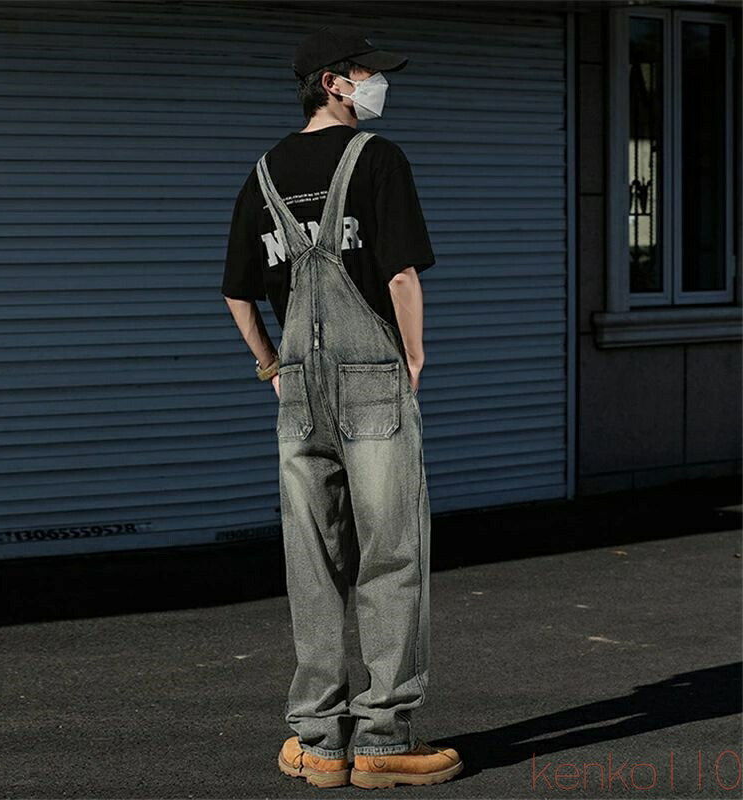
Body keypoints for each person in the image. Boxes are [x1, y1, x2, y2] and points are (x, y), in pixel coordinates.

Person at [221, 23, 464, 790]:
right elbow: (400, 276)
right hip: (371, 379)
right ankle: (385, 739)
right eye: (364, 72)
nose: (374, 83)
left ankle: (319, 743)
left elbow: (236, 293)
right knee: (393, 556)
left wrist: (272, 366)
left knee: (314, 561)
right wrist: (414, 356)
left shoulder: (263, 174)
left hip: (297, 387)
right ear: (332, 82)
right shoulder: (378, 159)